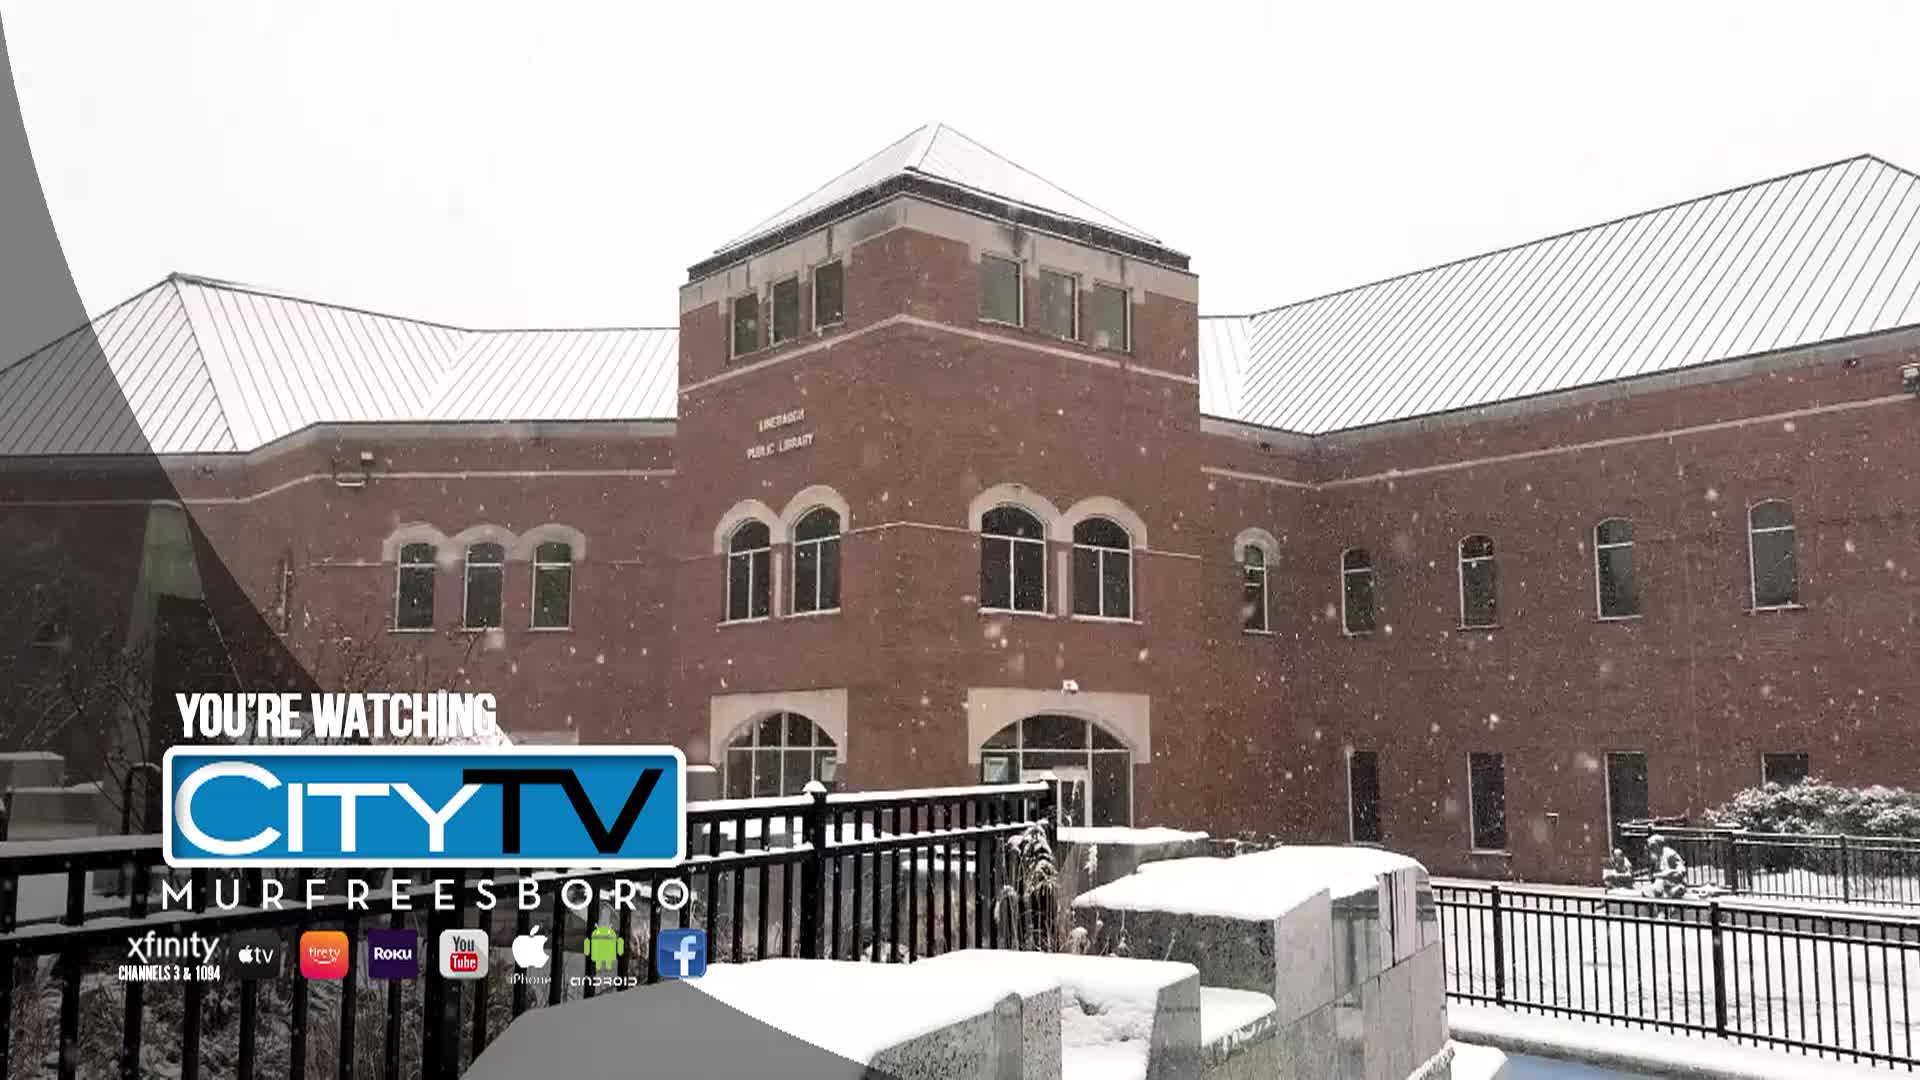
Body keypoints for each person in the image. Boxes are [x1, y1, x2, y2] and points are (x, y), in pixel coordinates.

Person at [1646, 834, 1688, 899]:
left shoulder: (1670, 854)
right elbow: (1651, 876)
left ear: (1659, 845)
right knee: (1648, 892)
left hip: (1673, 884)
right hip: (1661, 885)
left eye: (1652, 846)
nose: (1650, 849)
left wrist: (1672, 874)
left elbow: (1681, 869)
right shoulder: (1656, 856)